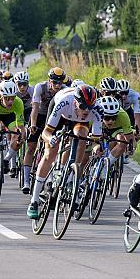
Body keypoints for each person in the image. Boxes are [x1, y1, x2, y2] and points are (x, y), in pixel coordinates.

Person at [27, 84, 101, 219]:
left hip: (78, 123)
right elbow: (46, 132)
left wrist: (96, 148)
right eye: (83, 106)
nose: (86, 111)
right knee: (50, 153)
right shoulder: (65, 101)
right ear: (75, 102)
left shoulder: (96, 111)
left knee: (82, 135)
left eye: (89, 107)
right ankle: (34, 200)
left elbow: (96, 140)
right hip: (62, 114)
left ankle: (73, 175)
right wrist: (51, 139)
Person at [22, 67, 67, 194]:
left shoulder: (63, 90)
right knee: (31, 147)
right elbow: (35, 108)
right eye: (55, 82)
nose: (58, 85)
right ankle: (26, 181)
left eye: (60, 82)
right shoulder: (40, 87)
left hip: (54, 117)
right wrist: (33, 124)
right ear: (49, 81)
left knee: (52, 148)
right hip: (40, 116)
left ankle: (49, 177)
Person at [116, 79, 140, 149]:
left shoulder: (134, 95)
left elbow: (137, 115)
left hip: (128, 110)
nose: (124, 96)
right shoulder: (114, 96)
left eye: (126, 93)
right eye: (121, 93)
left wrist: (137, 130)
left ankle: (131, 145)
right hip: (116, 112)